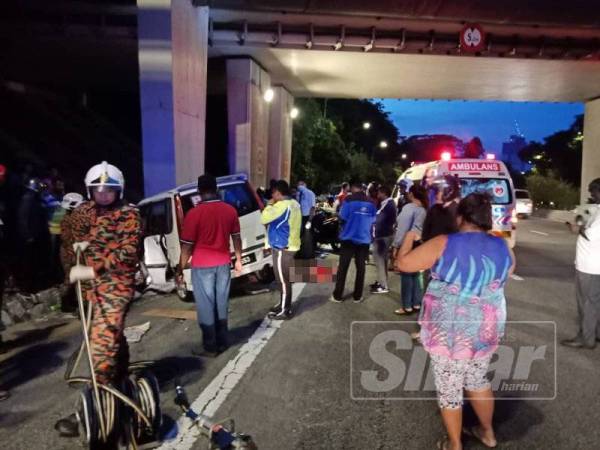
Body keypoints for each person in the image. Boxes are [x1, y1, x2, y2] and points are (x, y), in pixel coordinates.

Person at [397, 193, 515, 450]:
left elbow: (403, 264)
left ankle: (454, 444)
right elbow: (510, 270)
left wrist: (409, 238)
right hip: (485, 328)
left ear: (460, 217)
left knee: (450, 388)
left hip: (450, 332)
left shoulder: (444, 242)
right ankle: (488, 434)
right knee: (477, 379)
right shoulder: (500, 244)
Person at [67, 161, 142, 384]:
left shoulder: (129, 214)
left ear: (118, 190)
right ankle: (119, 381)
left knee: (103, 339)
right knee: (108, 336)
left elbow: (128, 251)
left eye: (109, 191)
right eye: (98, 191)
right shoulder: (88, 212)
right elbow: (75, 234)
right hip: (90, 287)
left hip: (115, 285)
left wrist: (93, 269)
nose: (103, 196)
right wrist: (80, 248)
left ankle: (102, 391)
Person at [178, 175, 242, 357]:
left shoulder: (194, 214)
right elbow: (236, 237)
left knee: (206, 307)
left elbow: (187, 247)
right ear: (216, 189)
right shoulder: (230, 210)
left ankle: (210, 347)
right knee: (221, 303)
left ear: (199, 191)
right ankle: (223, 341)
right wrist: (238, 258)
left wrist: (179, 269)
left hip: (202, 265)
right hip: (223, 264)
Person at [562, 178, 600, 349]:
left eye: (593, 190)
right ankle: (595, 333)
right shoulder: (595, 210)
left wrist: (576, 228)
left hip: (590, 267)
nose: (591, 194)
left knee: (587, 303)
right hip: (594, 265)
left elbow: (590, 235)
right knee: (595, 302)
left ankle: (586, 339)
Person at [261, 180, 302, 320]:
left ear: (278, 193)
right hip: (291, 245)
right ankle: (283, 304)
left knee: (283, 280)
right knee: (284, 279)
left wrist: (269, 204)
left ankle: (285, 310)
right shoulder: (294, 203)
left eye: (273, 193)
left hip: (282, 247)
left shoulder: (282, 206)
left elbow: (264, 218)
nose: (272, 196)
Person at [330, 181, 377, 303]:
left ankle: (338, 296)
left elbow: (342, 217)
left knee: (343, 267)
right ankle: (357, 296)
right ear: (362, 188)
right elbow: (373, 220)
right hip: (364, 240)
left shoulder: (348, 200)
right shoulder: (371, 202)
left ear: (351, 187)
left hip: (349, 238)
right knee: (361, 268)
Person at [391, 184, 428, 313]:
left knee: (406, 276)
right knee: (415, 274)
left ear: (411, 194)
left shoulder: (409, 208)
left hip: (408, 244)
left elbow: (402, 229)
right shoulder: (424, 209)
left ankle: (406, 306)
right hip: (420, 245)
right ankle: (416, 303)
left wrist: (396, 246)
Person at [15, 178, 52, 293]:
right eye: (40, 186)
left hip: (37, 236)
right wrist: (27, 235)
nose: (42, 188)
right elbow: (23, 218)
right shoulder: (28, 198)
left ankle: (33, 286)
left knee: (35, 263)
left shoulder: (36, 198)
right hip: (30, 238)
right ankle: (26, 287)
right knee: (28, 263)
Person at [59, 192, 85, 313]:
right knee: (71, 279)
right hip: (70, 253)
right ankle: (67, 303)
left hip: (76, 251)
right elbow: (68, 240)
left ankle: (78, 304)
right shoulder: (67, 221)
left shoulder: (75, 219)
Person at [370, 185, 397, 294]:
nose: (378, 194)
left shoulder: (389, 205)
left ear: (384, 193)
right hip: (384, 235)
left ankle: (383, 286)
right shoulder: (387, 204)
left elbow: (380, 220)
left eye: (379, 192)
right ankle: (381, 281)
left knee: (380, 261)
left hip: (382, 236)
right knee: (383, 261)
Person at [422, 175, 461, 242]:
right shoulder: (434, 209)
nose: (435, 194)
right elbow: (425, 235)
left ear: (448, 191)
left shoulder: (459, 211)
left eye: (437, 191)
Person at [296, 181, 317, 259]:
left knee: (308, 236)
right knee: (301, 236)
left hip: (308, 217)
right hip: (300, 217)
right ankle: (301, 253)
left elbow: (312, 207)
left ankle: (309, 255)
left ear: (305, 185)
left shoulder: (310, 193)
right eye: (298, 185)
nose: (299, 187)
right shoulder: (298, 194)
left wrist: (310, 220)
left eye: (301, 185)